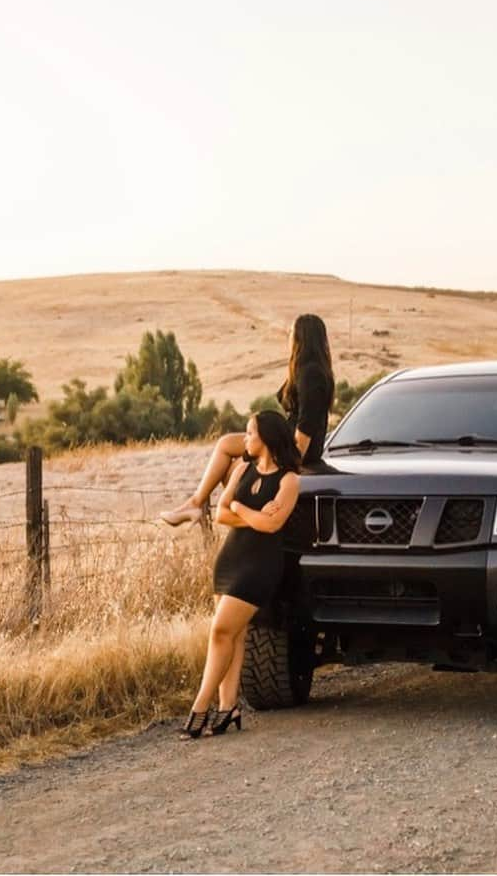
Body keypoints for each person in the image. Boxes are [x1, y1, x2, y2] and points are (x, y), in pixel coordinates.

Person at [179, 409, 301, 739]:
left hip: (260, 568)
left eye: (250, 433)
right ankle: (228, 707)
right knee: (235, 635)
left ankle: (199, 708)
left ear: (267, 438)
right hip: (230, 560)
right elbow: (220, 514)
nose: (245, 439)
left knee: (220, 631)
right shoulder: (242, 468)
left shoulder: (289, 480)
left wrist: (239, 508)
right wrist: (249, 513)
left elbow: (273, 524)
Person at [160, 313, 334, 527]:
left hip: (296, 446)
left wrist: (290, 460)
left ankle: (213, 508)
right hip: (287, 438)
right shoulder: (305, 370)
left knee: (235, 467)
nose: (288, 337)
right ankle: (197, 504)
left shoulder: (311, 374)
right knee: (226, 448)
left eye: (291, 333)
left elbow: (307, 423)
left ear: (302, 337)